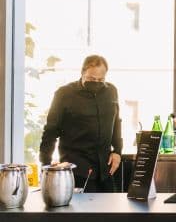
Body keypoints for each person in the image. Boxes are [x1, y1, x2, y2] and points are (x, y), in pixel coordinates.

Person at [39, 55, 123, 193]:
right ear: (82, 73)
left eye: (100, 80)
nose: (96, 82)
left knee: (111, 213)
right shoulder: (64, 94)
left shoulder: (111, 91)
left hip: (106, 170)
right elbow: (50, 131)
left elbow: (117, 122)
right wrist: (46, 166)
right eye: (91, 79)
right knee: (82, 214)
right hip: (77, 171)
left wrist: (118, 152)